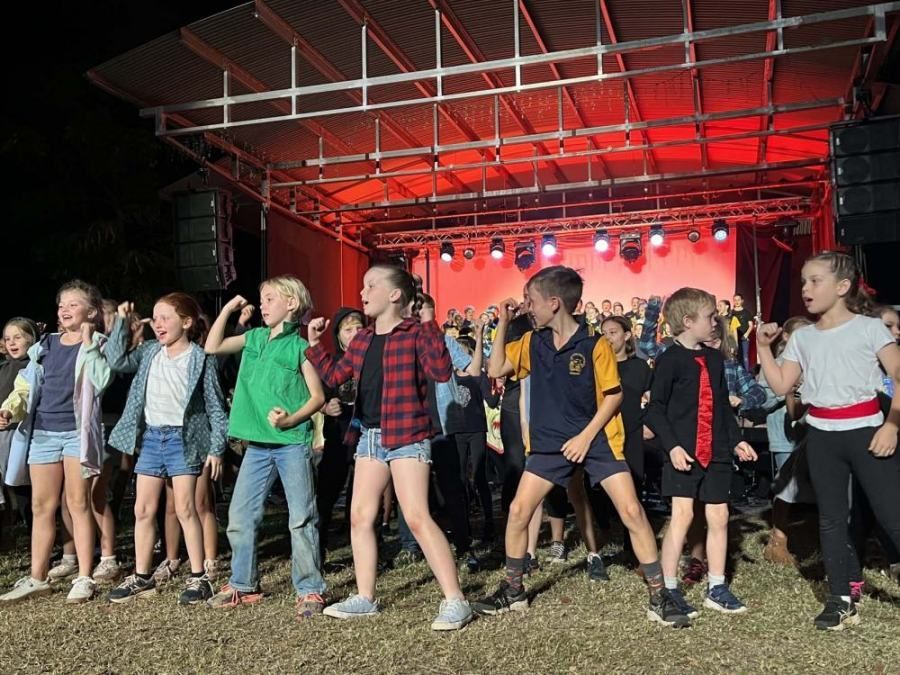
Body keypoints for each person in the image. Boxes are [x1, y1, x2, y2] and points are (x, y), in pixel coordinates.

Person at [474, 266, 689, 627]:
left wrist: (586, 437)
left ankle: (659, 595)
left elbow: (614, 396)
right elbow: (496, 369)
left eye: (532, 301)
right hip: (548, 445)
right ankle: (513, 590)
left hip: (597, 440)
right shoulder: (530, 342)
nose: (527, 307)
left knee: (633, 512)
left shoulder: (595, 345)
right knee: (517, 512)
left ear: (554, 303)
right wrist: (503, 322)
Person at [306, 265, 473, 631]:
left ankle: (456, 600)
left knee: (416, 515)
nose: (362, 293)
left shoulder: (415, 333)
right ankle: (365, 597)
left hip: (408, 434)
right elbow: (336, 376)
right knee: (360, 516)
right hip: (369, 434)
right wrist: (316, 345)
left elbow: (441, 371)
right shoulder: (363, 339)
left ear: (395, 295)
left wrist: (429, 321)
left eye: (370, 286)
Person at [757, 251, 900, 631]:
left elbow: (899, 375)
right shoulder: (803, 337)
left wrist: (892, 425)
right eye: (803, 281)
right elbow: (782, 385)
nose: (805, 288)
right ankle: (841, 598)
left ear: (842, 286)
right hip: (821, 436)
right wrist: (763, 348)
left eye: (815, 280)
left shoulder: (869, 329)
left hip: (868, 433)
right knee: (832, 520)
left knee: (893, 516)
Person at [204, 276, 327, 619]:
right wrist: (228, 308)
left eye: (270, 298)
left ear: (291, 303)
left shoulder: (299, 347)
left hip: (290, 444)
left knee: (301, 518)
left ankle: (310, 590)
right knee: (240, 516)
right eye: (261, 298)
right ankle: (242, 584)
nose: (263, 304)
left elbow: (318, 397)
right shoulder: (254, 337)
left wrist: (290, 420)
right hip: (257, 447)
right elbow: (212, 346)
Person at [104, 294, 227, 605]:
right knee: (142, 509)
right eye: (155, 318)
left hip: (183, 440)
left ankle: (200, 577)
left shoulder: (201, 358)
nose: (158, 324)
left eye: (165, 318)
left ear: (186, 322)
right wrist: (121, 322)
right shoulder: (149, 352)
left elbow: (215, 407)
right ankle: (142, 576)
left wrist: (216, 448)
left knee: (186, 509)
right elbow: (116, 360)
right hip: (151, 439)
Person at [644, 287, 758, 620]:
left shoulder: (714, 358)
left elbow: (721, 404)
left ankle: (717, 587)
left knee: (720, 517)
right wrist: (673, 446)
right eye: (711, 316)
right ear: (689, 321)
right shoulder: (669, 360)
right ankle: (668, 589)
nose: (716, 322)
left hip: (718, 452)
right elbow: (655, 410)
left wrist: (735, 439)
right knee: (681, 517)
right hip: (685, 453)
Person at [0, 280, 111, 604]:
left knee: (78, 504)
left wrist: (89, 341)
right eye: (61, 304)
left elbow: (101, 380)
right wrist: (10, 409)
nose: (64, 309)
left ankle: (85, 577)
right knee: (40, 506)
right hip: (44, 434)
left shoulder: (98, 343)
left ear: (90, 311)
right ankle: (37, 578)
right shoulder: (44, 345)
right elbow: (25, 387)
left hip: (78, 435)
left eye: (73, 304)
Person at [395, 295, 484, 572]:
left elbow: (472, 367)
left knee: (452, 487)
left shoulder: (444, 341)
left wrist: (479, 340)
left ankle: (463, 544)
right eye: (415, 308)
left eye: (423, 309)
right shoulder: (397, 343)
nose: (418, 314)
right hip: (408, 426)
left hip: (441, 426)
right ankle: (409, 547)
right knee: (408, 491)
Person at [758, 316, 813, 566]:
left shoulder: (816, 361)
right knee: (785, 487)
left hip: (812, 433)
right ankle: (778, 540)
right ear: (787, 337)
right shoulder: (776, 364)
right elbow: (762, 400)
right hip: (784, 437)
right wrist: (785, 388)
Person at [317, 307, 365, 560]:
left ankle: (364, 551)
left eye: (359, 328)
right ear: (338, 336)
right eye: (348, 329)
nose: (355, 333)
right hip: (337, 436)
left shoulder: (372, 360)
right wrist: (325, 406)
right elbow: (313, 393)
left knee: (363, 500)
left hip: (365, 436)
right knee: (326, 494)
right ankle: (319, 548)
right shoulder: (331, 363)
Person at [0, 318, 40, 537]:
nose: (12, 343)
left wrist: (8, 412)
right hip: (3, 435)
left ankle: (39, 534)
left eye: (18, 337)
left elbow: (22, 395)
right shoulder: (5, 367)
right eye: (7, 338)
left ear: (31, 339)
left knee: (26, 487)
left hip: (22, 434)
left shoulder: (34, 367)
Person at [732, 293, 754, 372]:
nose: (736, 302)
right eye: (735, 300)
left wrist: (746, 334)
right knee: (734, 356)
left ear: (742, 301)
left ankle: (746, 374)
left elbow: (751, 325)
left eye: (738, 300)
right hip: (734, 338)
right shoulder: (731, 313)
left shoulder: (746, 312)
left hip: (744, 337)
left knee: (745, 356)